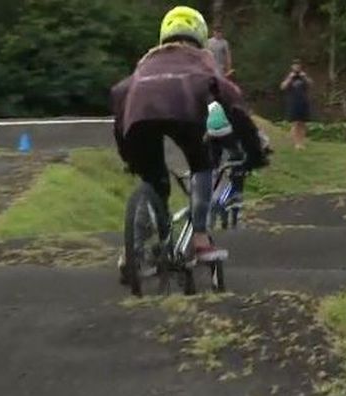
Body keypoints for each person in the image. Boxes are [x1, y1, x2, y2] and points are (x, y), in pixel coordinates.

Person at [111, 6, 268, 274]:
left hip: (136, 117)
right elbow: (233, 102)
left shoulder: (147, 60)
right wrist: (255, 152)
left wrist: (128, 156)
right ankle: (200, 238)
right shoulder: (201, 59)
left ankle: (132, 253)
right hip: (184, 113)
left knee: (153, 181)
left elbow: (119, 93)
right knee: (202, 165)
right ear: (200, 34)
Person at [280, 59, 313, 150]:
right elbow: (282, 87)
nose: (297, 67)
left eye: (298, 65)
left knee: (303, 123)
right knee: (295, 123)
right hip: (293, 102)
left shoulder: (303, 76)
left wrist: (305, 77)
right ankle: (296, 143)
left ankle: (301, 142)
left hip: (303, 102)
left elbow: (310, 84)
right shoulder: (290, 76)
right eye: (295, 65)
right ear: (292, 66)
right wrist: (290, 78)